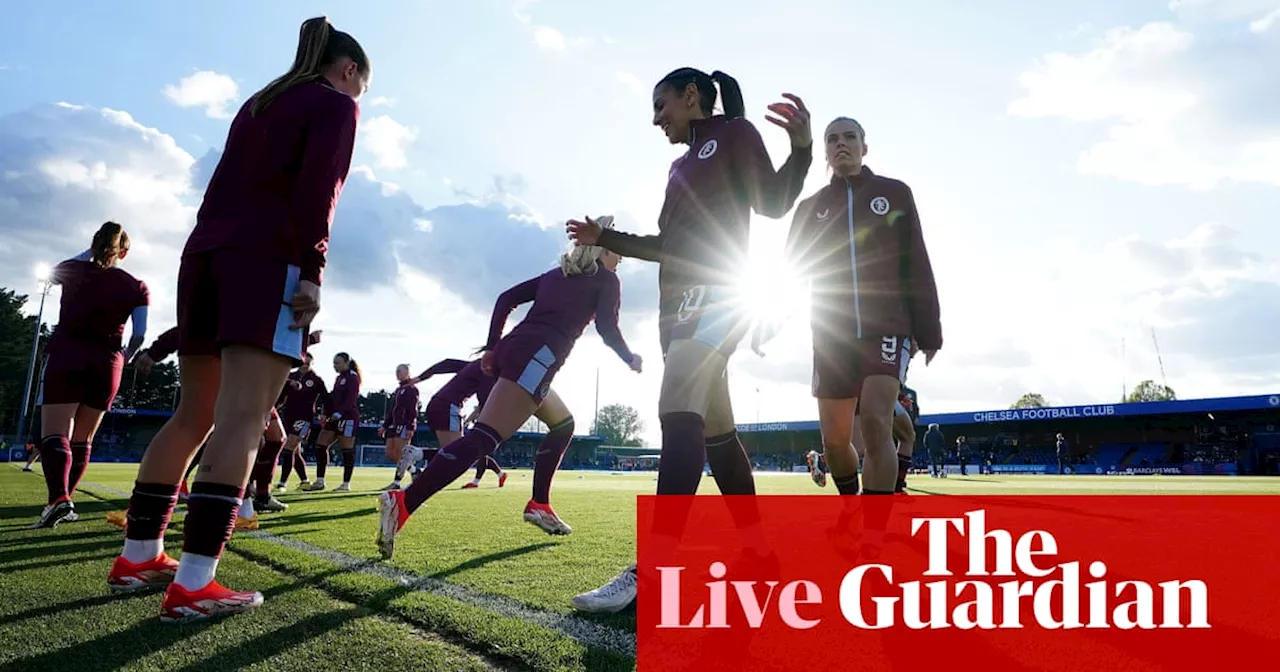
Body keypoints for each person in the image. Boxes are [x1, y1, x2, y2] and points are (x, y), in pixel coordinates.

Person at [106, 16, 368, 622]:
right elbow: (318, 191)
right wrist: (313, 269)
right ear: (349, 70)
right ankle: (195, 582)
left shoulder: (261, 101)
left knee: (193, 413)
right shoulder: (334, 105)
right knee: (243, 419)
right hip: (267, 259)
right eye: (362, 86)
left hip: (203, 257)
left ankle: (139, 555)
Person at [566, 69, 812, 614]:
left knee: (676, 408)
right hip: (674, 308)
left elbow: (772, 202)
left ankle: (652, 568)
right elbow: (665, 246)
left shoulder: (735, 134)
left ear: (691, 96)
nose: (657, 120)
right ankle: (759, 554)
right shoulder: (679, 166)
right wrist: (603, 238)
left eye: (662, 106)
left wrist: (801, 149)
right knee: (717, 432)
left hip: (722, 293)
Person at [377, 218, 641, 558]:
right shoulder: (606, 279)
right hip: (536, 360)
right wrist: (629, 357)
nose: (621, 258)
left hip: (515, 351)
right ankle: (404, 501)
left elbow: (505, 299)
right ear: (604, 248)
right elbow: (607, 327)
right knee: (484, 438)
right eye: (618, 251)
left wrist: (491, 347)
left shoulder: (555, 274)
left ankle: (539, 503)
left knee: (564, 424)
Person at [32, 223, 149, 529]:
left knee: (55, 434)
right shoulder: (136, 285)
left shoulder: (74, 270)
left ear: (94, 244)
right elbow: (140, 335)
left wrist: (91, 252)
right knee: (83, 438)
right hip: (108, 362)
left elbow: (57, 270)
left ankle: (59, 500)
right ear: (124, 252)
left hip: (67, 354)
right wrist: (125, 358)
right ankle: (64, 501)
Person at [304, 352, 362, 492]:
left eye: (338, 363)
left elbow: (351, 399)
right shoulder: (339, 378)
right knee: (321, 444)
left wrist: (339, 413)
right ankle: (320, 481)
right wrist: (326, 413)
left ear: (347, 362)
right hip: (334, 418)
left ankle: (346, 484)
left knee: (346, 449)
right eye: (334, 363)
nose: (335, 366)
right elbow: (333, 398)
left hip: (347, 418)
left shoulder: (353, 377)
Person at [275, 351, 329, 491]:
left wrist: (324, 413)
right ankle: (304, 481)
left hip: (304, 418)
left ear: (312, 364)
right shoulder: (290, 376)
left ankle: (282, 483)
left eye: (308, 363)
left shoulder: (316, 380)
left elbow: (326, 399)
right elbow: (280, 396)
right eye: (303, 362)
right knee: (295, 451)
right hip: (287, 416)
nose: (305, 366)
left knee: (288, 448)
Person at [379, 364, 420, 491]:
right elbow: (392, 410)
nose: (397, 373)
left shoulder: (411, 389)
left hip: (403, 425)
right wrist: (385, 426)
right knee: (390, 453)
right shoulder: (398, 390)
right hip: (394, 425)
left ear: (407, 373)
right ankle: (414, 470)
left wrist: (410, 426)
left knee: (401, 453)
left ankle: (396, 482)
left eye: (400, 371)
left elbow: (413, 410)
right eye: (396, 371)